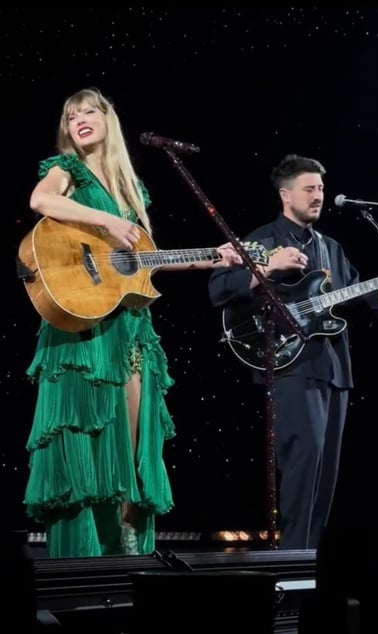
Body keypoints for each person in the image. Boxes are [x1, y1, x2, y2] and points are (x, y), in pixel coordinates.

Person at [23, 87, 243, 558]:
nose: (79, 119)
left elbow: (142, 261)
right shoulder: (67, 170)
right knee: (85, 434)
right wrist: (107, 221)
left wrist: (211, 258)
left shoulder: (131, 189)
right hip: (80, 324)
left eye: (89, 112)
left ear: (108, 120)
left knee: (132, 434)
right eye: (71, 115)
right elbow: (41, 202)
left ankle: (126, 551)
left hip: (128, 326)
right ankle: (83, 561)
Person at [207, 154, 378, 550]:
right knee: (303, 465)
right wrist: (268, 268)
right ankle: (291, 560)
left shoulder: (331, 248)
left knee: (326, 473)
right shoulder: (263, 239)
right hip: (290, 364)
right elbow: (219, 289)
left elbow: (359, 296)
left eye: (321, 188)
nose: (319, 195)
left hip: (334, 367)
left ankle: (311, 562)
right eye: (310, 189)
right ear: (285, 195)